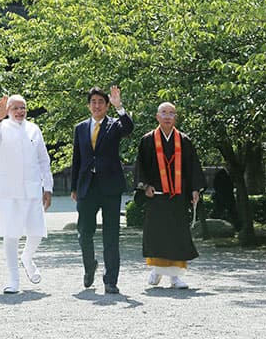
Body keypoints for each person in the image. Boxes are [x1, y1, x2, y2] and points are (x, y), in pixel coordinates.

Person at [0, 94, 53, 294]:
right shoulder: (1, 127)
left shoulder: (34, 129)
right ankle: (14, 279)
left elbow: (43, 161)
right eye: (16, 108)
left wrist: (48, 187)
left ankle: (27, 258)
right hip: (8, 190)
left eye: (23, 108)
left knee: (36, 231)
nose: (20, 112)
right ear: (8, 110)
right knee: (11, 235)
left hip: (32, 189)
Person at [135, 101, 206, 288]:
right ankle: (157, 270)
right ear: (157, 117)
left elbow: (193, 168)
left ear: (176, 117)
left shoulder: (184, 141)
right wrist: (145, 186)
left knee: (177, 235)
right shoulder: (148, 140)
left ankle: (175, 277)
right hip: (156, 196)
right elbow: (140, 168)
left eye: (171, 113)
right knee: (157, 235)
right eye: (164, 113)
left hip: (178, 196)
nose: (167, 116)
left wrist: (195, 189)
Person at [70, 85, 133, 294]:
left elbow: (129, 128)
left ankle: (111, 280)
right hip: (87, 187)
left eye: (101, 102)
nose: (97, 106)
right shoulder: (80, 128)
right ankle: (90, 267)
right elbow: (76, 159)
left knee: (111, 235)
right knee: (84, 233)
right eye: (93, 102)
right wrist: (73, 187)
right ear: (88, 105)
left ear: (106, 106)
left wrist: (120, 107)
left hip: (110, 187)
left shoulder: (114, 125)